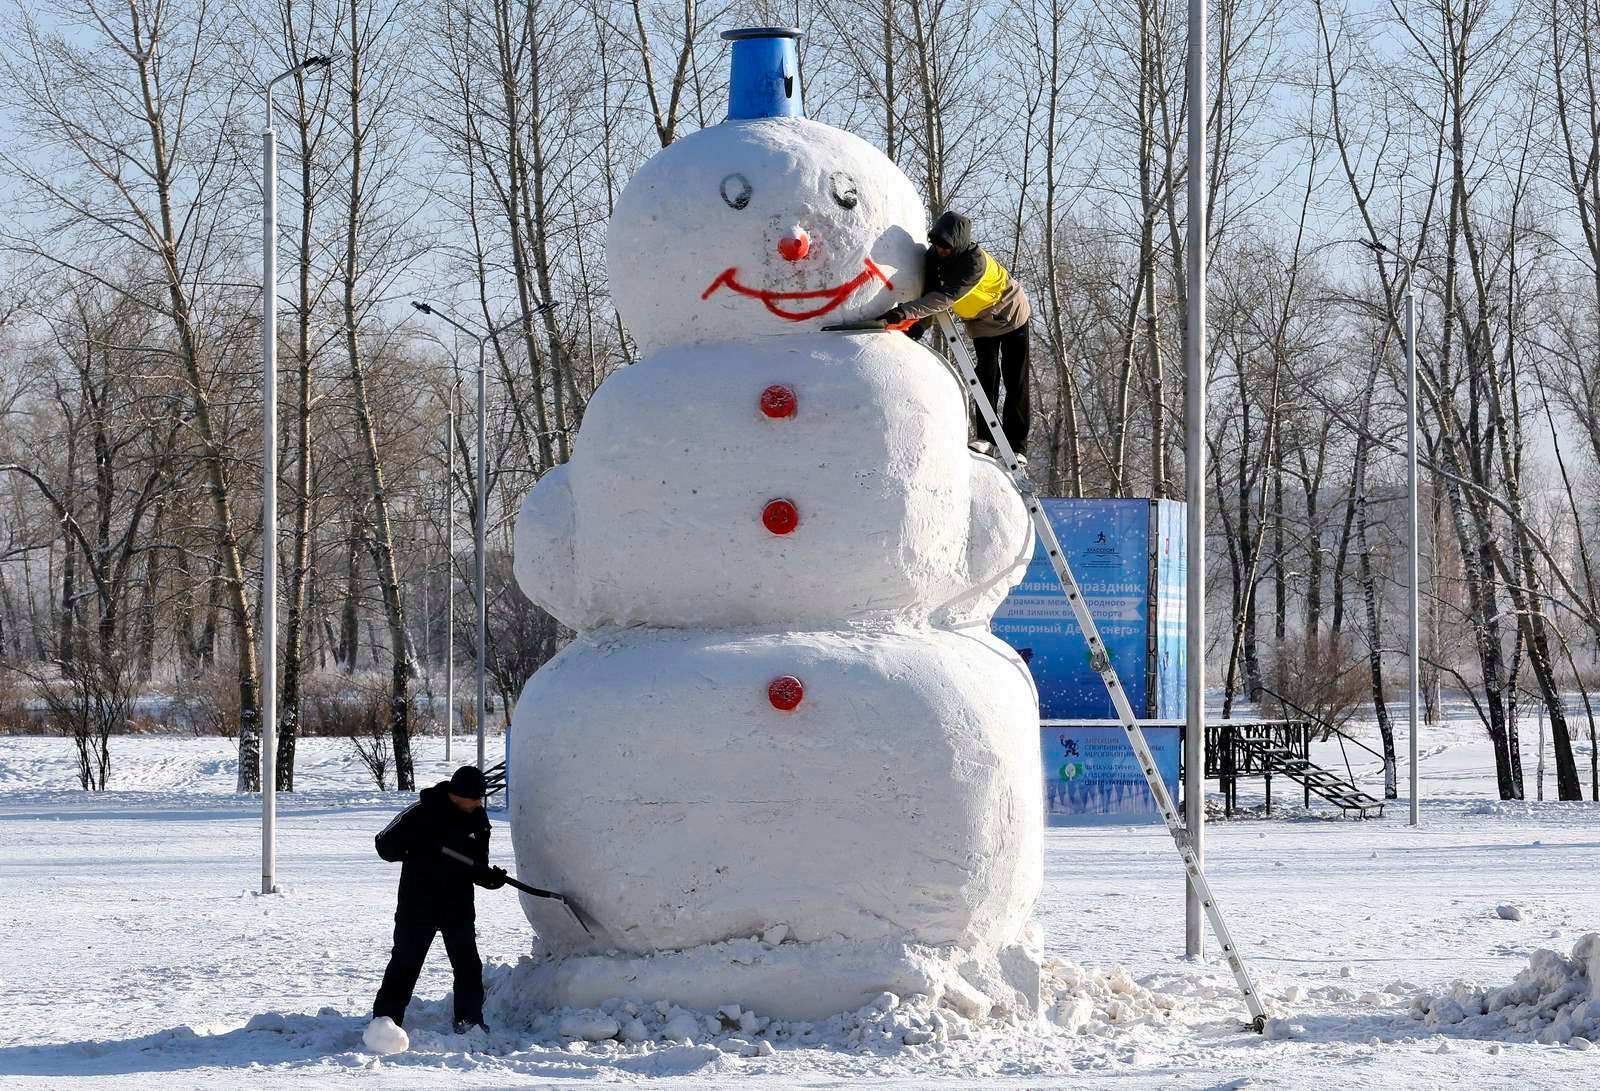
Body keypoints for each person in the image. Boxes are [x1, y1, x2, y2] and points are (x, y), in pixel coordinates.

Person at [878, 210, 1034, 463]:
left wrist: (903, 312)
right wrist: (918, 327)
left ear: (958, 245)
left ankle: (1017, 446)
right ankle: (986, 437)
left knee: (1015, 379)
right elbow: (930, 292)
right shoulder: (934, 258)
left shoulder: (974, 263)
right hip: (980, 322)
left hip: (1010, 313)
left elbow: (944, 297)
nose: (941, 250)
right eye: (937, 245)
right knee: (986, 375)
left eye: (947, 247)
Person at [372, 764, 507, 1034]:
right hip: (417, 904)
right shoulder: (422, 811)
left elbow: (477, 865)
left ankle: (469, 1022)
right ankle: (385, 1024)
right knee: (404, 964)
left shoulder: (478, 820)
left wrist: (490, 879)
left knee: (468, 965)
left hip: (457, 905)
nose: (478, 803)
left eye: (481, 798)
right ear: (457, 794)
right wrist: (415, 845)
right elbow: (384, 844)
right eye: (474, 798)